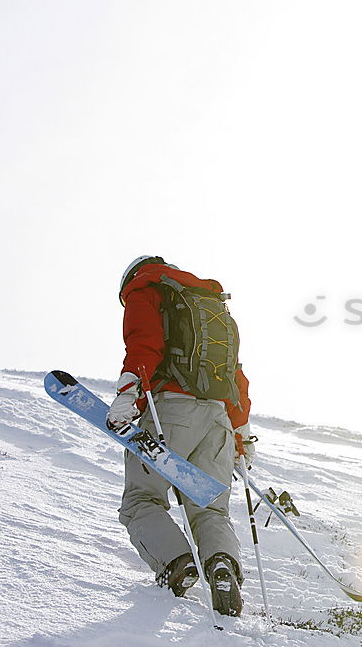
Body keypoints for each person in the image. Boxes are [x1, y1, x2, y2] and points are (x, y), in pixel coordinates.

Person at [106, 255, 255, 616]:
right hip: (218, 420)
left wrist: (129, 395)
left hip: (170, 412)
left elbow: (144, 346)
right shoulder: (211, 304)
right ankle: (221, 567)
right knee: (209, 508)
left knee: (142, 501)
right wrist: (240, 434)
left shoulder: (147, 289)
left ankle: (177, 564)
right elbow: (234, 374)